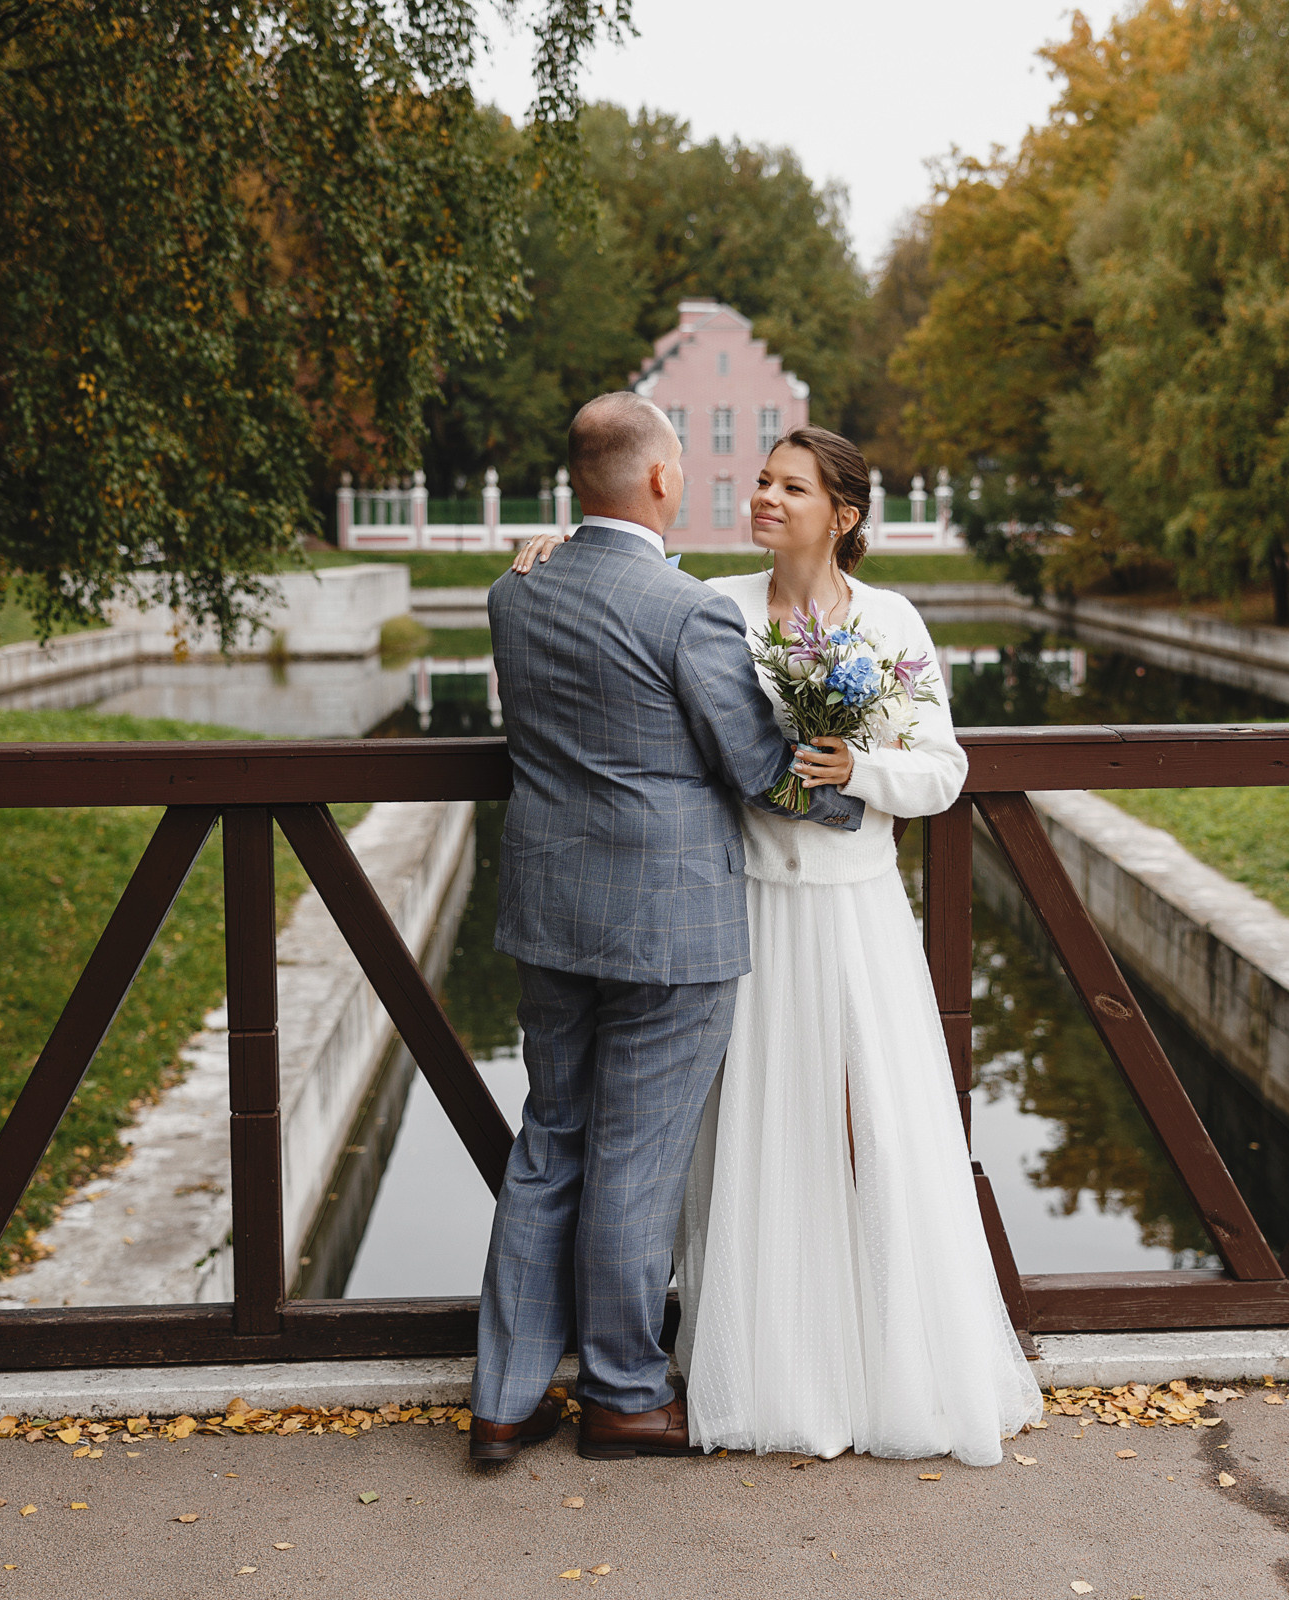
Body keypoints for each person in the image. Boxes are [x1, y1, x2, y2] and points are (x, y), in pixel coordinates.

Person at [505, 427, 1043, 1468]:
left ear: (842, 513)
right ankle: (767, 1376)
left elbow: (942, 770)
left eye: (789, 486)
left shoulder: (890, 620)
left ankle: (894, 1373)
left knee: (874, 1135)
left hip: (855, 918)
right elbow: (633, 618)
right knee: (743, 1146)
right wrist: (551, 545)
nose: (763, 496)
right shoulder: (714, 604)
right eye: (759, 480)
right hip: (742, 911)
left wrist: (859, 771)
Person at [468, 393, 866, 1467]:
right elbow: (754, 765)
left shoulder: (516, 588)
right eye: (684, 462)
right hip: (669, 927)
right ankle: (624, 1395)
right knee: (636, 1162)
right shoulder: (684, 611)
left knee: (551, 1143)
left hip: (550, 913)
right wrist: (855, 796)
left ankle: (502, 1401)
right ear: (656, 480)